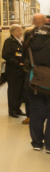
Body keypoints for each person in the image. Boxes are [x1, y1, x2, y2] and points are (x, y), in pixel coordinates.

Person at [23, 13, 50, 151]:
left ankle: (36, 143)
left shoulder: (30, 41)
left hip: (34, 80)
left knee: (36, 113)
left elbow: (24, 59)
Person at [2, 23, 26, 117]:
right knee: (13, 91)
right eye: (19, 30)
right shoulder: (9, 41)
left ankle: (18, 108)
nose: (21, 32)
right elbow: (5, 55)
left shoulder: (21, 41)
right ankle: (12, 110)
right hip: (13, 70)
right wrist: (17, 63)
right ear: (13, 32)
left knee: (21, 90)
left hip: (21, 70)